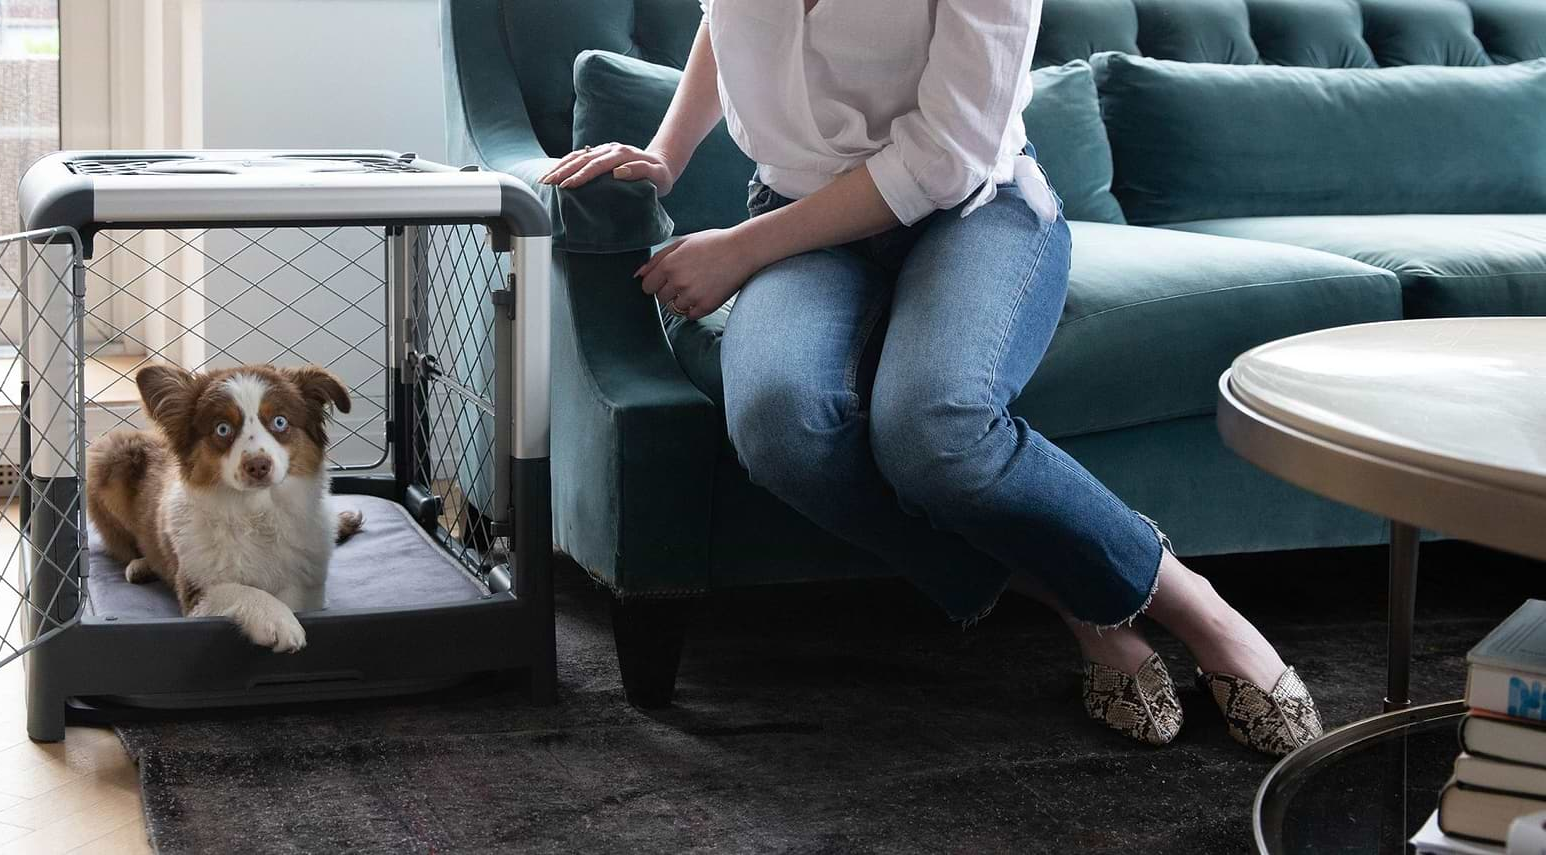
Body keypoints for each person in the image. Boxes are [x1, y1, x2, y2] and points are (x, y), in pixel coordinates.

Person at [542, 0, 1321, 755]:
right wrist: (666, 153)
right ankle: (1084, 602)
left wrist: (742, 249)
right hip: (800, 209)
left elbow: (947, 154)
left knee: (934, 430)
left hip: (976, 207)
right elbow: (729, 18)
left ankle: (1205, 612)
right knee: (779, 423)